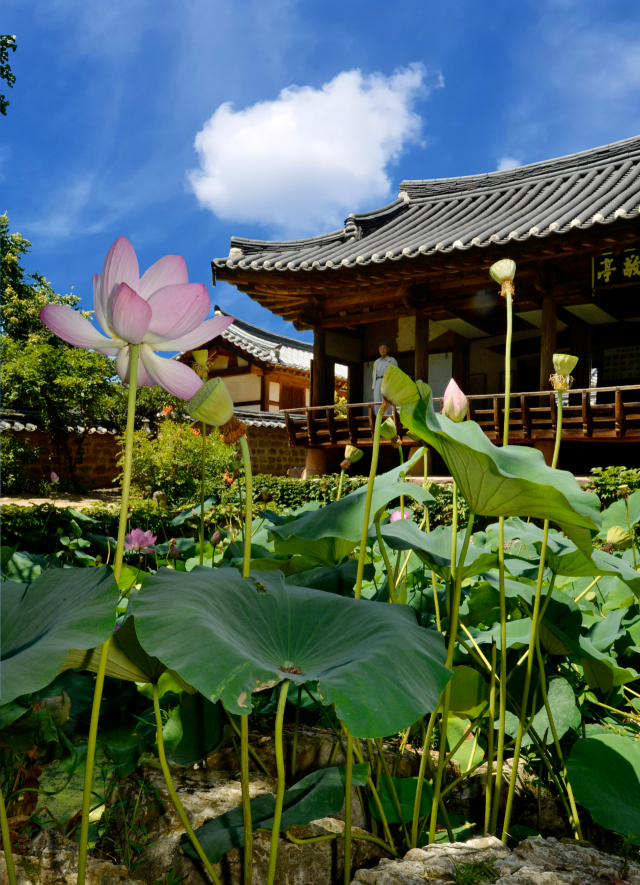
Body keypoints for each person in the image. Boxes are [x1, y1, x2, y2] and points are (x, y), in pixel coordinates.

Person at [372, 342, 398, 413]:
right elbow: (374, 375)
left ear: (388, 349)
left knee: (387, 402)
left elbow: (396, 373)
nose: (382, 350)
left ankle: (388, 420)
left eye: (384, 348)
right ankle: (378, 421)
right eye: (381, 348)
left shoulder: (392, 360)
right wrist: (374, 386)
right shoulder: (376, 362)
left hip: (388, 381)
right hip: (378, 381)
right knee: (377, 402)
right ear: (379, 350)